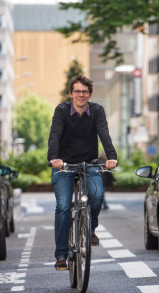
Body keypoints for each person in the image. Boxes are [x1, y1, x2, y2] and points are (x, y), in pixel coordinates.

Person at [47, 75, 117, 269]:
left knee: (96, 195)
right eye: (77, 91)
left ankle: (91, 229)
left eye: (84, 92)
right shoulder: (61, 111)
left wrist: (111, 157)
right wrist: (54, 158)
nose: (80, 95)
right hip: (64, 165)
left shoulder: (96, 111)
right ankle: (61, 255)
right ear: (71, 93)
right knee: (63, 206)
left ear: (90, 94)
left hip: (90, 163)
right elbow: (55, 134)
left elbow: (104, 133)